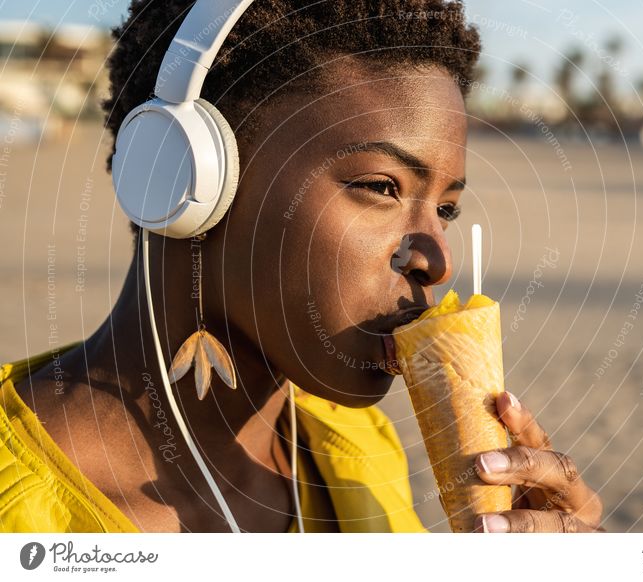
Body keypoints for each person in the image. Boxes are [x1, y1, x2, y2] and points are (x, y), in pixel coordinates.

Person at [0, 0, 603, 533]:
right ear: (184, 176)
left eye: (446, 208)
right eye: (380, 186)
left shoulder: (358, 449)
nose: (435, 262)